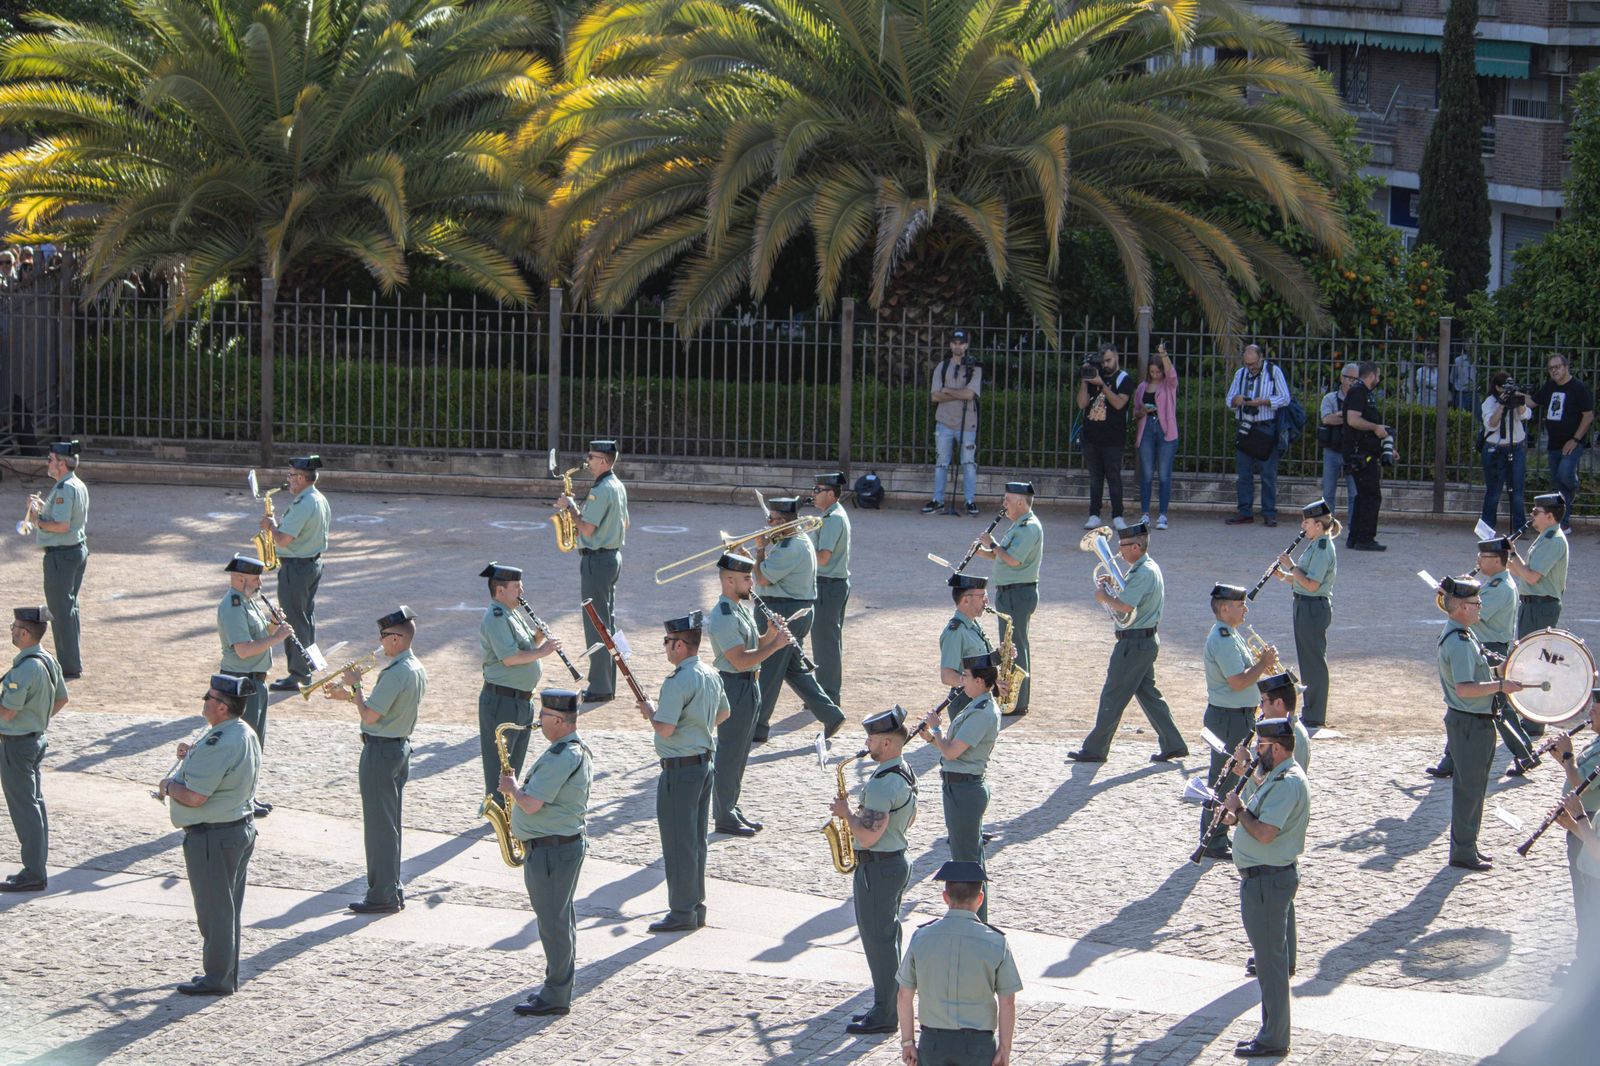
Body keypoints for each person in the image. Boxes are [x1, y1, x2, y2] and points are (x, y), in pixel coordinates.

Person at [157, 674, 262, 994]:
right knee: (226, 910)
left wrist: (169, 786)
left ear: (220, 707)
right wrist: (192, 756)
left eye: (208, 697)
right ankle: (224, 973)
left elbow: (195, 797)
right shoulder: (239, 731)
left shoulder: (221, 741)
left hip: (213, 837)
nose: (204, 701)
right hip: (235, 829)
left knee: (214, 913)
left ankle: (218, 978)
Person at [1219, 718, 1310, 1058]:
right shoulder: (1275, 777)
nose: (1256, 753)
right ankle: (1271, 1031)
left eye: (1260, 747)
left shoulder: (1288, 783)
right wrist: (1236, 817)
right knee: (1269, 962)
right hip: (1262, 879)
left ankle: (1274, 1037)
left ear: (1276, 747)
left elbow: (1265, 833)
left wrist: (1239, 811)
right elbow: (1257, 818)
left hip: (1268, 881)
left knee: (1271, 966)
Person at [498, 688, 592, 1017]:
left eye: (542, 716)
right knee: (558, 919)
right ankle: (558, 987)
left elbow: (532, 804)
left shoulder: (563, 755)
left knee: (553, 923)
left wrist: (513, 790)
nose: (538, 720)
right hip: (554, 848)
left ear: (556, 719)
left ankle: (556, 994)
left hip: (553, 851)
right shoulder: (564, 750)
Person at [327, 606, 427, 913]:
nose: (380, 642)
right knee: (389, 824)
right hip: (398, 748)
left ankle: (382, 893)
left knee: (379, 828)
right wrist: (350, 697)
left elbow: (370, 716)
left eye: (383, 636)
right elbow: (381, 709)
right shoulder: (413, 667)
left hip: (381, 752)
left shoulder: (396, 673)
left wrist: (356, 686)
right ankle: (391, 888)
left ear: (396, 638)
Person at [830, 706, 918, 1036]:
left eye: (871, 738)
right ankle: (888, 1005)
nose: (866, 744)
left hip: (878, 868)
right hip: (894, 860)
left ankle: (885, 1013)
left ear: (886, 743)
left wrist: (846, 813)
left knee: (879, 942)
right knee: (888, 938)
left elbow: (867, 835)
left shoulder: (883, 784)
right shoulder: (904, 771)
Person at [639, 611, 727, 933]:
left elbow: (664, 728)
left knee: (678, 843)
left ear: (679, 645)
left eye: (667, 642)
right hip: (704, 764)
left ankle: (681, 911)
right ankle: (695, 905)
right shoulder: (711, 673)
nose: (665, 647)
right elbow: (724, 713)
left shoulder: (676, 681)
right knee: (695, 841)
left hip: (680, 770)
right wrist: (696, 729)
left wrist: (651, 713)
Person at [1071, 522, 1187, 763]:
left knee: (1113, 694)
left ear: (1136, 546)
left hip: (1134, 643)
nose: (1118, 551)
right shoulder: (1145, 568)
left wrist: (1104, 596)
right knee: (1148, 694)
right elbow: (1132, 596)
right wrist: (1114, 586)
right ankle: (1173, 743)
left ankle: (1095, 748)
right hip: (1143, 640)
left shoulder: (1143, 572)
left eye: (1122, 546)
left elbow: (1126, 606)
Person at [1435, 576, 1526, 873]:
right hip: (1470, 723)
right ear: (1461, 607)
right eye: (1476, 604)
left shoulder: (1465, 634)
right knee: (1468, 789)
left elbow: (1481, 669)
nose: (1480, 607)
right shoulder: (1460, 642)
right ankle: (1462, 850)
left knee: (1475, 787)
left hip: (1476, 721)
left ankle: (1469, 845)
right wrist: (1500, 686)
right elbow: (1465, 688)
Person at [1429, 537, 1537, 778]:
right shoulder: (1493, 583)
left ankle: (1526, 753)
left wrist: (1450, 596)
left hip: (1491, 646)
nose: (1478, 560)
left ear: (1498, 561)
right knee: (1470, 705)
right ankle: (1451, 761)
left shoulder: (1501, 587)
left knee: (1497, 706)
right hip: (1483, 644)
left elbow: (1471, 610)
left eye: (1483, 557)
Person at [895, 861, 1022, 1066]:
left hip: (933, 1043)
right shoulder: (996, 942)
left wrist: (907, 1042)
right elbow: (1007, 1001)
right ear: (980, 899)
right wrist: (1005, 1049)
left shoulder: (922, 937)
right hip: (978, 1045)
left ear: (945, 898)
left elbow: (904, 995)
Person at [751, 497, 845, 742]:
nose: (768, 523)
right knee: (794, 670)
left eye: (771, 520)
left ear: (783, 521)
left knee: (769, 669)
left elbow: (761, 579)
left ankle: (757, 727)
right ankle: (831, 714)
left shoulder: (790, 547)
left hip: (784, 613)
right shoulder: (792, 540)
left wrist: (759, 550)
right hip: (792, 610)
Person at [706, 552, 786, 837]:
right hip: (734, 684)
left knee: (741, 752)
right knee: (730, 753)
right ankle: (723, 814)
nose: (751, 582)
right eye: (746, 578)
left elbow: (754, 647)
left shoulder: (739, 608)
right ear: (728, 580)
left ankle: (730, 805)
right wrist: (775, 646)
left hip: (749, 684)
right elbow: (739, 659)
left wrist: (770, 634)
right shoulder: (724, 615)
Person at [1195, 584, 1277, 860]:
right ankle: (1213, 840)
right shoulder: (1222, 638)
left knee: (1230, 775)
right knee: (1224, 778)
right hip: (1228, 718)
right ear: (1225, 608)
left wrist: (1263, 664)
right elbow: (1239, 681)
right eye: (1240, 604)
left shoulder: (1231, 634)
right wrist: (1262, 664)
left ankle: (1217, 835)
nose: (1245, 608)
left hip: (1236, 716)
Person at [920, 652, 1003, 923]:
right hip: (960, 787)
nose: (961, 680)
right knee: (968, 856)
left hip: (965, 791)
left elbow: (953, 752)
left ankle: (976, 921)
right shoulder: (975, 704)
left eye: (965, 676)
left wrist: (935, 731)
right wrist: (932, 739)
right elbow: (951, 750)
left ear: (979, 681)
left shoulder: (983, 712)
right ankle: (976, 919)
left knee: (967, 862)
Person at [477, 562, 564, 804]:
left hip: (520, 700)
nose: (522, 592)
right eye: (517, 587)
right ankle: (498, 817)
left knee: (513, 766)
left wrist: (537, 637)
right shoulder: (496, 617)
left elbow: (523, 648)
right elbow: (510, 658)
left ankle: (508, 810)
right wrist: (544, 651)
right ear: (500, 590)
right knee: (499, 765)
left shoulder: (511, 612)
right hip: (502, 701)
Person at [0, 606, 68, 893]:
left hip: (16, 746)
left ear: (25, 633)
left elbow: (7, 712)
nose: (12, 630)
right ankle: (35, 869)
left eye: (15, 626)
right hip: (34, 740)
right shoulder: (48, 660)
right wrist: (37, 720)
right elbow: (62, 699)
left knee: (25, 809)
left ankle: (33, 873)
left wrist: (25, 720)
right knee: (34, 805)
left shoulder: (26, 667)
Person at [217, 554, 291, 817]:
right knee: (242, 745)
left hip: (255, 683)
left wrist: (272, 626)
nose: (260, 583)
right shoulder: (233, 606)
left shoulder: (248, 601)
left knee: (255, 743)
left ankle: (248, 796)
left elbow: (256, 637)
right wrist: (278, 638)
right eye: (255, 578)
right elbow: (244, 650)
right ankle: (238, 801)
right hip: (241, 683)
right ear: (240, 579)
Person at [561, 440, 630, 703]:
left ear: (603, 461)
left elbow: (587, 529)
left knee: (596, 625)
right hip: (612, 557)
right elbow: (626, 522)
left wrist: (570, 507)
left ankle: (600, 686)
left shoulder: (601, 490)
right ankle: (608, 682)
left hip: (597, 561)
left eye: (591, 457)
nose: (587, 460)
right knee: (607, 622)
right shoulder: (617, 485)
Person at [262, 455, 330, 691]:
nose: (288, 480)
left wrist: (269, 526)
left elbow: (282, 540)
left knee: (293, 621)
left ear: (302, 477)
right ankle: (309, 665)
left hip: (296, 568)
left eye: (291, 475)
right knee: (305, 618)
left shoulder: (304, 504)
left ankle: (299, 675)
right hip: (311, 565)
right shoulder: (318, 498)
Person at [976, 482, 1041, 717]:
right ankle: (1013, 698)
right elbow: (1001, 557)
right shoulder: (1018, 525)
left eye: (1007, 500)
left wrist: (991, 543)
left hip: (1018, 593)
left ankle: (1017, 700)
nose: (1004, 504)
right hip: (1010, 592)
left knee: (1015, 645)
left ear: (1021, 502)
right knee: (1011, 643)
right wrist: (982, 552)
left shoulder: (1029, 527)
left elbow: (1013, 560)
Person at [1549, 688, 1600, 981]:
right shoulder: (1596, 739)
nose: (1589, 711)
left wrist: (1568, 758)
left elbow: (1582, 783)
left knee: (1589, 898)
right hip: (1583, 821)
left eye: (1595, 706)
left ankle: (1587, 969)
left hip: (1590, 823)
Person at [28, 439, 89, 679]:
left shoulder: (64, 489)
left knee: (60, 611)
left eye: (51, 459)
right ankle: (71, 661)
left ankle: (69, 666)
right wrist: (43, 508)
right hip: (75, 551)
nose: (48, 463)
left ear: (62, 463)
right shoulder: (74, 484)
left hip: (61, 556)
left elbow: (62, 526)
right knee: (69, 608)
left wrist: (36, 519)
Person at [1278, 500, 1337, 729]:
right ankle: (1311, 711)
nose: (1303, 526)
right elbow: (1302, 579)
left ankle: (1315, 714)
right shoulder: (1315, 544)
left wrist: (1291, 567)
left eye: (1307, 522)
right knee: (1308, 660)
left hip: (1313, 607)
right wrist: (1283, 575)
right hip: (1305, 605)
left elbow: (1312, 584)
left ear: (1319, 525)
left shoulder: (1322, 548)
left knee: (1314, 662)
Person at [1225, 344, 1290, 528]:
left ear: (1261, 358)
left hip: (1265, 428)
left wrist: (1263, 402)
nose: (1250, 367)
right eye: (1247, 364)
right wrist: (1235, 401)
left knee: (1268, 473)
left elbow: (1285, 397)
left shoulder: (1273, 371)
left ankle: (1269, 512)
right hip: (1245, 427)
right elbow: (1229, 400)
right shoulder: (1240, 374)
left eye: (1253, 364)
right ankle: (1245, 511)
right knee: (1244, 474)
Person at [923, 329, 982, 516]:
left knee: (968, 463)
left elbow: (970, 394)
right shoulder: (942, 367)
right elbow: (934, 396)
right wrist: (958, 393)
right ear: (951, 345)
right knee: (941, 463)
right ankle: (938, 501)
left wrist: (947, 391)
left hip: (967, 423)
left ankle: (970, 500)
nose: (958, 346)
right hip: (944, 423)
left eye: (961, 342)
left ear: (966, 345)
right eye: (955, 342)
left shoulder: (975, 368)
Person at [1533, 353, 1593, 528]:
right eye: (1551, 368)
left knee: (1564, 475)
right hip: (1554, 444)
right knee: (1558, 486)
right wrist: (1515, 395)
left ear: (1566, 367)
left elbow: (1588, 416)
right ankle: (1563, 524)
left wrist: (1575, 439)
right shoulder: (1549, 387)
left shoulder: (1579, 388)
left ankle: (1574, 484)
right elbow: (1532, 402)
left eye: (1557, 367)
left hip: (1573, 443)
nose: (1554, 371)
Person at [1077, 344, 1133, 528]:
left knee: (1114, 476)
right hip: (1091, 437)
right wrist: (1085, 381)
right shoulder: (1093, 376)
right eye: (1103, 361)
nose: (1106, 364)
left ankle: (1118, 515)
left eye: (1109, 360)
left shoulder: (1123, 379)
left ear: (1116, 356)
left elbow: (1118, 404)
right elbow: (1082, 403)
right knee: (1095, 478)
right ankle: (1094, 514)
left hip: (1113, 439)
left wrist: (1102, 385)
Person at [809, 472, 852, 705]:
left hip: (828, 586)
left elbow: (823, 558)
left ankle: (828, 697)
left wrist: (800, 553)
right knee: (826, 642)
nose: (813, 494)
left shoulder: (833, 518)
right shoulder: (831, 515)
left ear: (831, 494)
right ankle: (824, 692)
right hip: (831, 586)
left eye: (818, 490)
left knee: (826, 644)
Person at [1341, 360, 1390, 551]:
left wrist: (1385, 445)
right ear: (1373, 375)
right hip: (1359, 454)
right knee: (1371, 496)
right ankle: (1365, 538)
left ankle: (1355, 537)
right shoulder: (1358, 392)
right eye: (1378, 376)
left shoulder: (1363, 393)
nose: (1378, 379)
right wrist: (1375, 427)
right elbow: (1353, 420)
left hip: (1364, 452)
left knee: (1363, 496)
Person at [1510, 493, 1569, 640]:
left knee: (1532, 658)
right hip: (1534, 606)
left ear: (1549, 516)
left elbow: (1531, 577)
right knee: (1527, 654)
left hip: (1540, 608)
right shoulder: (1545, 537)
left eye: (1536, 512)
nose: (1532, 514)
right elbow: (1524, 572)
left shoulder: (1553, 540)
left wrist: (1512, 553)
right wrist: (1500, 560)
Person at [1134, 343, 1179, 529]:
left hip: (1165, 431)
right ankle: (1145, 513)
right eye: (1152, 372)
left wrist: (1163, 354)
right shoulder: (1142, 387)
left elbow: (1172, 374)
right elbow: (1136, 412)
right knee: (1146, 474)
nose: (1155, 375)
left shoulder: (1169, 386)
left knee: (1164, 475)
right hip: (1146, 429)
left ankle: (1162, 515)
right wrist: (1143, 411)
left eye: (1158, 372)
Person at [1481, 371, 1532, 535]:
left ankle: (1520, 528)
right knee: (1494, 492)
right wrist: (1501, 405)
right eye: (1503, 388)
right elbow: (1491, 424)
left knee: (1516, 490)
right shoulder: (1489, 402)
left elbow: (1525, 415)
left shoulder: (1515, 399)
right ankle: (1487, 529)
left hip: (1516, 447)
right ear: (1496, 388)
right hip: (1495, 450)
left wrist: (1518, 400)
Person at [939, 574, 994, 716]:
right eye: (982, 596)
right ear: (966, 600)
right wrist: (976, 684)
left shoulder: (972, 624)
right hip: (965, 703)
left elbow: (979, 661)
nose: (986, 600)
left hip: (979, 700)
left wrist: (1001, 656)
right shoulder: (955, 632)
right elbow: (947, 676)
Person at [1318, 364, 1358, 527]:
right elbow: (1327, 419)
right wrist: (1349, 418)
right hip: (1332, 451)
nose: (1352, 382)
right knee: (1328, 493)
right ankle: (1326, 528)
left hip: (1353, 451)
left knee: (1354, 493)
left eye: (1356, 379)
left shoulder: (1360, 398)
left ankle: (1353, 527)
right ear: (1342, 378)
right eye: (1349, 378)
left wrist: (1341, 417)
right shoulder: (1330, 398)